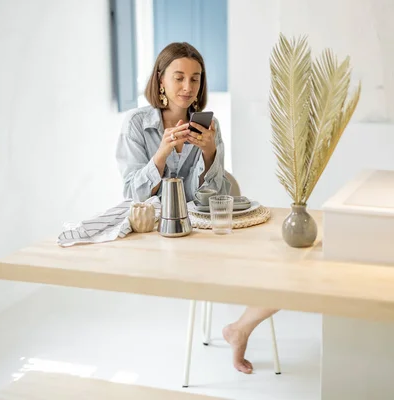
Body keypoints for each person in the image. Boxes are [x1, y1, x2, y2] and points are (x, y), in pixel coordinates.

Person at [115, 42, 278, 374]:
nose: (188, 87)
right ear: (160, 80)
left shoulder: (209, 128)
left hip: (206, 234)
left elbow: (213, 199)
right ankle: (237, 330)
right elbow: (132, 193)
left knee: (284, 269)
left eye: (196, 79)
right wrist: (161, 153)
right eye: (179, 78)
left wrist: (208, 154)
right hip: (161, 240)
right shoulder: (136, 125)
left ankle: (240, 329)